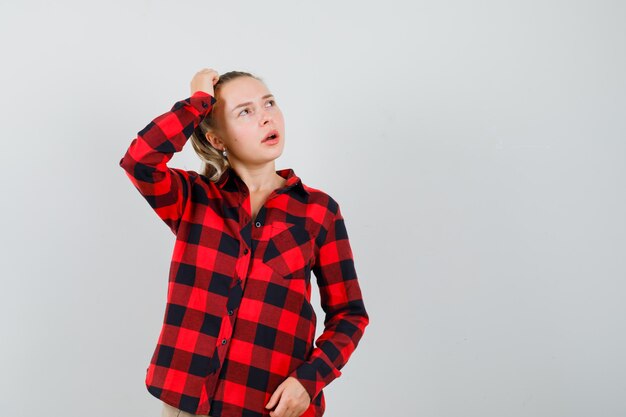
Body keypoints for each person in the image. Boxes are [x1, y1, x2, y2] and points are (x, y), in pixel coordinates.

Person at [118, 68, 369, 417]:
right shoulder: (193, 199)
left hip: (269, 406)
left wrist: (309, 381)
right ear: (218, 140)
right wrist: (197, 103)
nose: (266, 116)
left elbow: (349, 315)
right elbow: (139, 161)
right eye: (245, 111)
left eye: (269, 103)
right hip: (186, 404)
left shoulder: (318, 211)